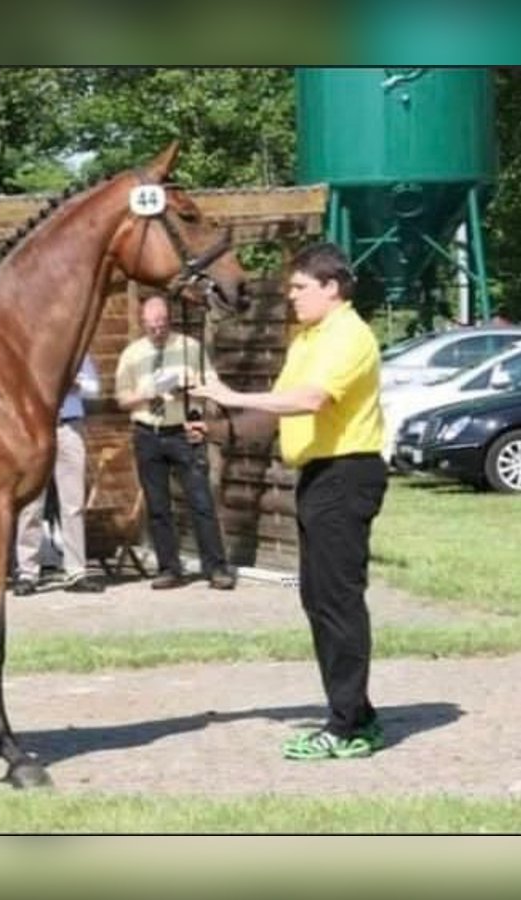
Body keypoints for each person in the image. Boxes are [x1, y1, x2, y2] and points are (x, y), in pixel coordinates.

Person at [191, 241, 387, 760]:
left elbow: (309, 400)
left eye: (300, 287)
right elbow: (279, 411)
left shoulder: (349, 335)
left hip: (347, 474)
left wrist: (234, 395)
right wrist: (216, 425)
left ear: (332, 288)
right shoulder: (308, 337)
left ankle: (348, 726)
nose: (292, 297)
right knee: (319, 599)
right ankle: (355, 714)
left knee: (338, 600)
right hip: (319, 477)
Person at [114, 294, 236, 591]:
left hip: (182, 430)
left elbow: (211, 382)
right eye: (151, 325)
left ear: (169, 320)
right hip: (148, 432)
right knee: (158, 505)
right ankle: (169, 568)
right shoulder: (132, 354)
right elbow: (122, 398)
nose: (157, 329)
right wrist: (151, 394)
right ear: (143, 323)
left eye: (162, 323)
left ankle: (216, 567)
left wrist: (194, 390)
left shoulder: (189, 347)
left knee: (200, 500)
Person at [13, 354, 105, 596]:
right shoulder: (34, 349)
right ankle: (27, 571)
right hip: (36, 428)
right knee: (31, 503)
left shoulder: (78, 353)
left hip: (69, 426)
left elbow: (95, 389)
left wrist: (76, 385)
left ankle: (75, 571)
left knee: (72, 503)